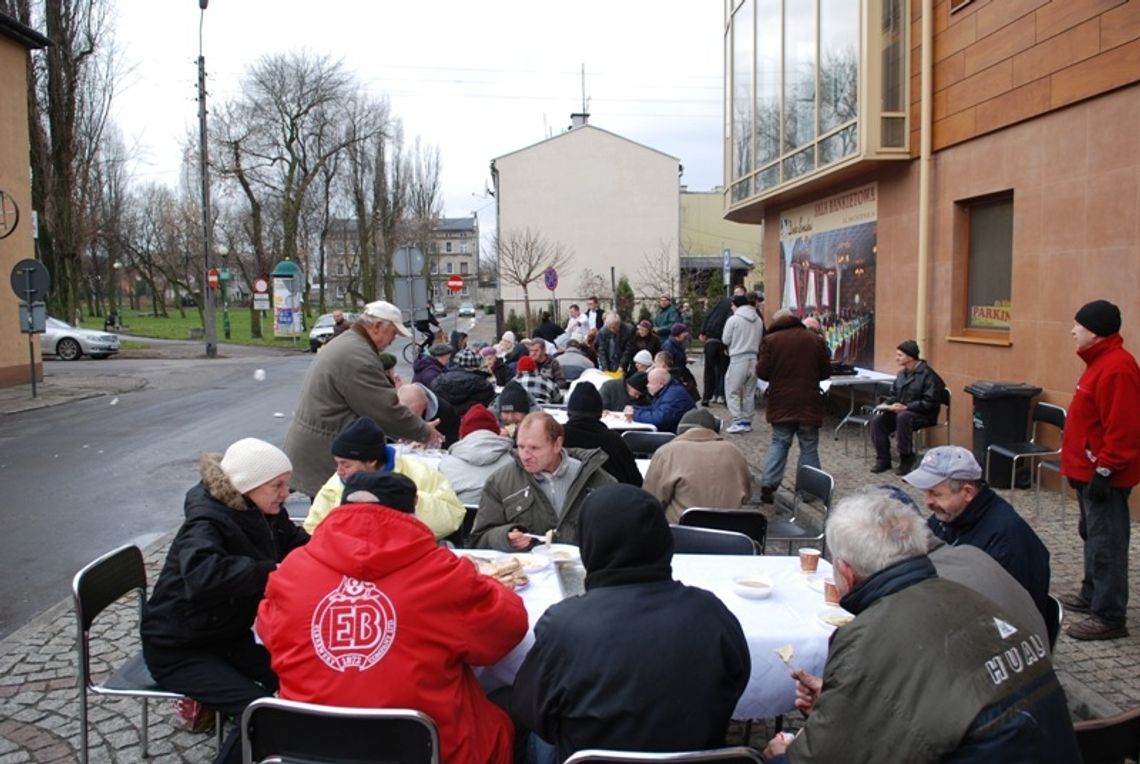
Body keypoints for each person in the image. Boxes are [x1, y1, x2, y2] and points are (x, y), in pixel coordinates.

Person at [762, 491, 1080, 763]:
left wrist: (781, 755)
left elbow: (824, 756)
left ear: (846, 572)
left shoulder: (868, 638)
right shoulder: (966, 597)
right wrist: (848, 698)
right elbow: (923, 702)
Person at [257, 471, 528, 764]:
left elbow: (269, 632)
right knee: (518, 702)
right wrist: (480, 582)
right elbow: (506, 630)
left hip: (309, 749)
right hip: (431, 750)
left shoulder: (293, 570)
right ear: (411, 512)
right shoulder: (442, 573)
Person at [511, 485, 750, 761]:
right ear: (663, 539)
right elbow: (734, 687)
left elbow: (530, 709)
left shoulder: (563, 625)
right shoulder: (712, 613)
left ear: (590, 542)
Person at [142, 438, 309, 764]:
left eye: (286, 484)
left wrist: (337, 557)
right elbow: (202, 573)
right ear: (249, 485)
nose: (285, 493)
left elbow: (300, 545)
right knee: (260, 711)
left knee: (304, 676)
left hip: (225, 634)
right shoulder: (207, 520)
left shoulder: (263, 510)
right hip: (178, 648)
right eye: (277, 485)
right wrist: (272, 571)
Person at [285, 300, 441, 497]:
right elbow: (384, 409)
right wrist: (424, 431)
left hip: (319, 445)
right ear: (376, 327)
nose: (393, 340)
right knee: (334, 518)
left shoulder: (350, 344)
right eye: (393, 333)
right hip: (325, 452)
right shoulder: (358, 356)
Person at [1059, 299, 1140, 640]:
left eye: (1078, 325)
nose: (1073, 330)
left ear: (1093, 330)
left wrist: (1106, 470)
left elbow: (1124, 427)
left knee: (1107, 542)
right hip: (1086, 471)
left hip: (1103, 474)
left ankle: (1109, 616)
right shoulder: (1098, 362)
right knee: (1092, 535)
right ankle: (1092, 593)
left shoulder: (1118, 368)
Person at [902, 445, 1051, 624]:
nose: (927, 502)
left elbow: (1009, 614)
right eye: (925, 493)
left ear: (967, 492)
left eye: (935, 493)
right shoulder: (949, 517)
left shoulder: (1007, 539)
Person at [301, 416, 465, 539]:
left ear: (371, 460)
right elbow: (313, 529)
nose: (339, 471)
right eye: (337, 464)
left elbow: (453, 515)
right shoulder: (335, 484)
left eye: (346, 464)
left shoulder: (418, 472)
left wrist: (408, 500)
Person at [469, 411, 616, 550]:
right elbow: (479, 539)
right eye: (520, 447)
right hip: (529, 571)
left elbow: (621, 532)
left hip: (584, 568)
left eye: (534, 448)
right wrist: (505, 538)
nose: (525, 456)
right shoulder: (500, 482)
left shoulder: (595, 478)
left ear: (557, 445)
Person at [755, 308, 832, 503]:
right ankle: (809, 490)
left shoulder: (771, 340)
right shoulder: (815, 340)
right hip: (808, 401)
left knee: (779, 442)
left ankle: (769, 482)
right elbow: (825, 372)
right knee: (808, 446)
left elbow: (762, 372)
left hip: (781, 401)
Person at [643, 409, 752, 523]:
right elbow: (747, 494)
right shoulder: (734, 452)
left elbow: (651, 501)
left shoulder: (667, 452)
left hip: (683, 533)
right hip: (731, 530)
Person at [870, 339, 945, 475]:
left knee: (903, 417)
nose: (896, 358)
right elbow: (894, 394)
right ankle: (883, 460)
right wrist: (887, 405)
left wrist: (907, 407)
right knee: (878, 421)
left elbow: (930, 402)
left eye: (900, 355)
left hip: (923, 415)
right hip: (901, 413)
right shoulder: (901, 374)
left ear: (910, 357)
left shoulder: (929, 376)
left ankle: (906, 458)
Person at [561, 383, 642, 486]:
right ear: (600, 413)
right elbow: (635, 481)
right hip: (610, 498)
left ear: (569, 412)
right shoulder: (614, 441)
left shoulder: (556, 438)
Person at [440, 404, 517, 505]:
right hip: (505, 518)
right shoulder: (514, 463)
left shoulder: (445, 465)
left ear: (462, 433)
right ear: (496, 431)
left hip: (461, 518)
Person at [721, 294, 764, 433]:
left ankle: (737, 420)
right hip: (754, 358)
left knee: (732, 390)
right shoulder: (758, 319)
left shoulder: (733, 319)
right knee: (749, 392)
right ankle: (747, 420)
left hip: (738, 358)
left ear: (736, 305)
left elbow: (725, 339)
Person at [627, 367, 694, 434]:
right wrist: (634, 409)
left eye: (650, 382)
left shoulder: (674, 394)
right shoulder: (668, 391)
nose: (647, 386)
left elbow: (660, 420)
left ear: (661, 384)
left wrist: (634, 414)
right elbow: (655, 410)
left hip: (674, 436)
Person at [432, 347, 496, 417]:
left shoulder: (438, 380)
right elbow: (488, 403)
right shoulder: (481, 383)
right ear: (476, 364)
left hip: (446, 421)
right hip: (472, 420)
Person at [698, 290, 736, 405]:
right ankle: (723, 396)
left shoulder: (718, 305)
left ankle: (706, 397)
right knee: (724, 370)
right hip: (721, 341)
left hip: (710, 340)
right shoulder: (731, 308)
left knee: (709, 370)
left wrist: (703, 331)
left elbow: (707, 316)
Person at [398, 381, 459, 449]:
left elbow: (453, 443)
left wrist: (436, 443)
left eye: (415, 415)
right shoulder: (391, 408)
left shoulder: (446, 411)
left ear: (425, 405)